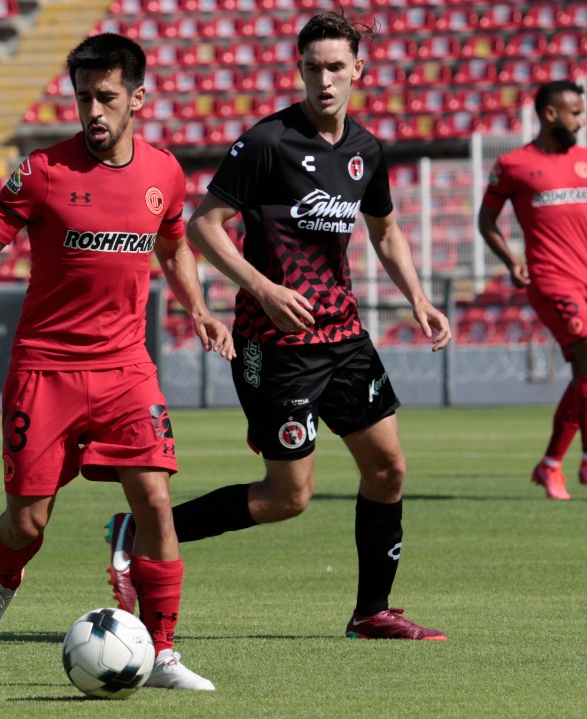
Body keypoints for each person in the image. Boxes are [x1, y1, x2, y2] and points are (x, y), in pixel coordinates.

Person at [106, 11, 453, 641]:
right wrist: (262, 289)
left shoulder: (365, 150)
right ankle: (140, 531)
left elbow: (385, 231)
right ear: (300, 69)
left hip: (343, 336)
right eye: (313, 67)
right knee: (287, 497)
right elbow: (205, 225)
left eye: (336, 67)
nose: (324, 80)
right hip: (276, 343)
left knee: (390, 470)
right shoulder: (268, 142)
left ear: (358, 71)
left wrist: (420, 298)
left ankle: (371, 611)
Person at [0, 33, 233, 690]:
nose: (93, 111)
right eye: (83, 98)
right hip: (45, 370)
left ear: (138, 98)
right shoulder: (41, 172)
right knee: (27, 520)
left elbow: (175, 245)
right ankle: (5, 579)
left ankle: (162, 650)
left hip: (127, 368)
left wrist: (199, 307)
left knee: (155, 499)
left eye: (106, 97)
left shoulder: (164, 173)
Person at [478, 80, 587, 501]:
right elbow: (486, 221)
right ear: (551, 115)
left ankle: (550, 466)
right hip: (548, 280)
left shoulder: (584, 159)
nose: (581, 122)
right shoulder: (513, 164)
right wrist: (512, 261)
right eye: (576, 113)